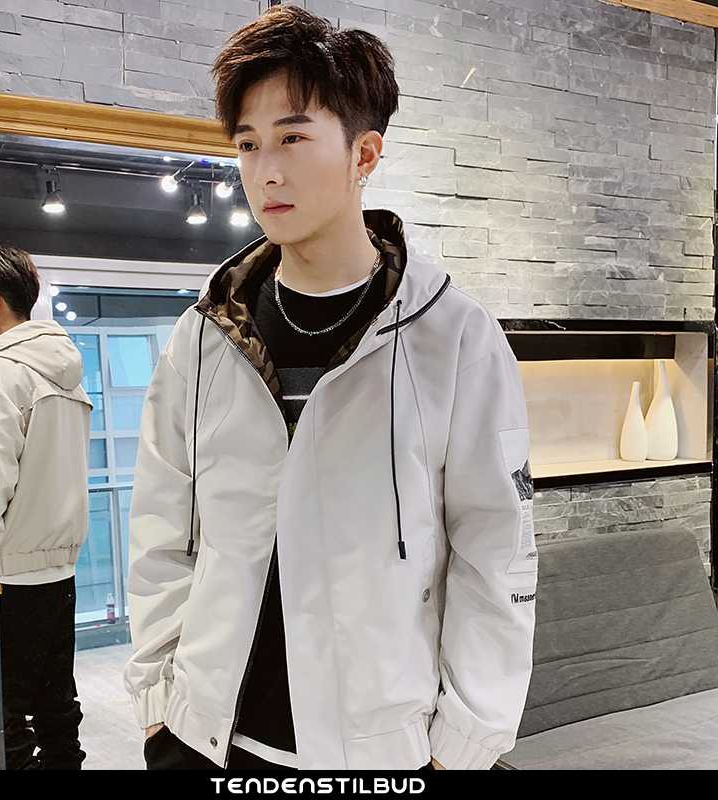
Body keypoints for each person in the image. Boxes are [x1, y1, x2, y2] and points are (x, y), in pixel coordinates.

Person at [125, 5, 538, 772]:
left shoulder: (454, 336)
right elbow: (160, 533)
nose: (265, 171)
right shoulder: (205, 336)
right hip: (209, 740)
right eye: (248, 144)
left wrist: (464, 742)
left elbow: (496, 552)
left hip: (380, 752)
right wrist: (159, 706)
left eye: (292, 137)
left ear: (364, 153)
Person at [0, 240, 92, 770]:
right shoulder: (65, 372)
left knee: (7, 721)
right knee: (57, 712)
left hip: (9, 576)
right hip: (60, 571)